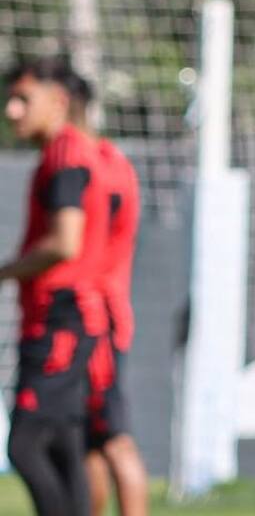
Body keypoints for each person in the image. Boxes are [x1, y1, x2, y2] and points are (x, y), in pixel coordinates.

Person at [2, 58, 113, 516]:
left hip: (61, 319)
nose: (11, 111)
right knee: (67, 443)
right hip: (72, 318)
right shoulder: (72, 152)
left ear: (58, 101)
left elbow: (66, 242)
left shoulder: (67, 154)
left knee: (25, 446)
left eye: (23, 99)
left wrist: (8, 271)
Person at [64, 76, 150, 516]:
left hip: (94, 316)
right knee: (90, 439)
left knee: (113, 437)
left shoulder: (86, 165)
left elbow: (73, 245)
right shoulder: (114, 161)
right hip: (102, 312)